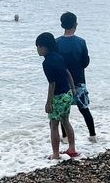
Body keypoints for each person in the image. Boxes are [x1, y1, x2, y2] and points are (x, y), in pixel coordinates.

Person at [35, 32, 78, 160]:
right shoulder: (58, 56)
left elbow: (52, 84)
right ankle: (72, 149)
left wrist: (49, 102)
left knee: (53, 125)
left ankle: (55, 154)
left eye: (38, 46)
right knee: (66, 121)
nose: (37, 49)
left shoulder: (47, 63)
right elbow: (67, 73)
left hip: (58, 97)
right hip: (67, 94)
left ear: (45, 47)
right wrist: (73, 88)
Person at [56, 11, 96, 138]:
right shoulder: (81, 42)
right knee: (84, 109)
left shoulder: (56, 42)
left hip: (62, 82)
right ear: (75, 24)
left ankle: (65, 137)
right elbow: (85, 62)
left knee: (64, 112)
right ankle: (92, 135)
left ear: (62, 25)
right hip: (79, 80)